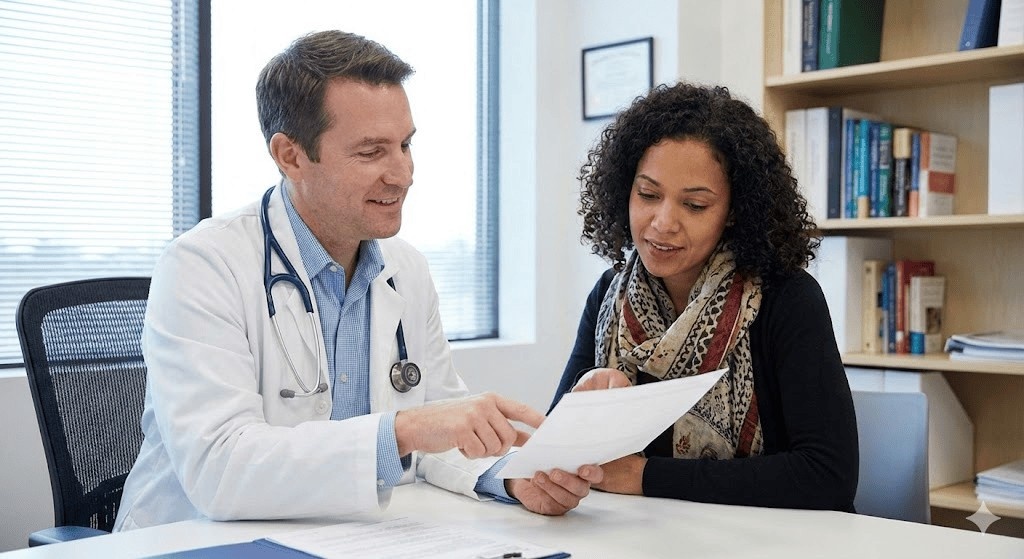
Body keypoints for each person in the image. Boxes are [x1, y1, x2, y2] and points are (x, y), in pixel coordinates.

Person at [114, 30, 601, 530]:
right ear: (290, 155)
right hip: (195, 539)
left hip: (350, 540)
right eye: (371, 152)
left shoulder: (404, 269)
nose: (403, 173)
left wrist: (512, 477)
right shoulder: (204, 265)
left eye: (406, 145)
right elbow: (220, 469)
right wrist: (403, 431)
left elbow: (440, 430)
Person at [551, 82, 858, 511]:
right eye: (648, 194)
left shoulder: (787, 300)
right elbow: (552, 462)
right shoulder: (609, 295)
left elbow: (827, 476)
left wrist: (644, 476)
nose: (662, 223)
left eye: (694, 205)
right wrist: (580, 408)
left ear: (734, 211)